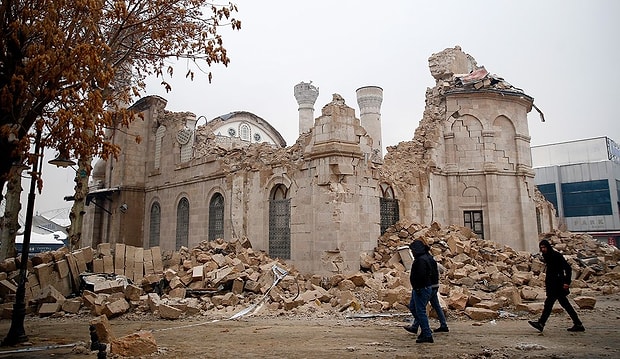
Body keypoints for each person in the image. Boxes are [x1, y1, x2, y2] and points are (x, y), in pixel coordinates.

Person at [528, 239, 585, 333]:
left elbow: (568, 269)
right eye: (541, 248)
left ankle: (541, 323)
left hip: (558, 284)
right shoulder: (547, 256)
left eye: (544, 247)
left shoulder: (556, 256)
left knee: (549, 304)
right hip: (552, 284)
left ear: (548, 247)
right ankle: (578, 323)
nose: (543, 249)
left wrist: (567, 282)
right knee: (564, 305)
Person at [404, 245, 449, 334]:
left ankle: (422, 328)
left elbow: (423, 275)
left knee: (419, 309)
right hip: (433, 286)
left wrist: (417, 287)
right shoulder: (430, 259)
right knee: (435, 306)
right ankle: (443, 324)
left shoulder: (422, 260)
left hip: (426, 286)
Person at [404, 239, 435, 343]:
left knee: (420, 311)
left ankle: (427, 333)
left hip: (421, 288)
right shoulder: (423, 258)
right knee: (414, 308)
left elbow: (421, 275)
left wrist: (417, 288)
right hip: (420, 288)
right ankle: (424, 328)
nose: (412, 252)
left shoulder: (421, 260)